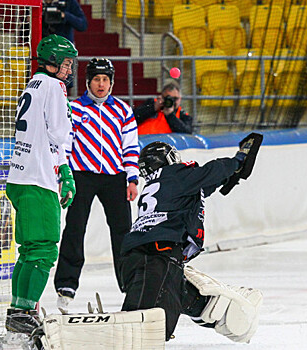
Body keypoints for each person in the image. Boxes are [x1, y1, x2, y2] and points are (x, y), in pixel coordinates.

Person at [120, 141, 263, 343]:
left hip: (134, 254)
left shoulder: (157, 185)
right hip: (159, 252)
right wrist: (237, 161)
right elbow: (211, 171)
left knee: (172, 292)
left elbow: (201, 187)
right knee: (150, 315)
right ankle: (129, 336)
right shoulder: (175, 175)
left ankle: (214, 310)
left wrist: (229, 177)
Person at [5, 34, 78, 336]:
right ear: (52, 63)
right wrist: (70, 117)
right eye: (66, 64)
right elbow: (60, 133)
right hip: (37, 180)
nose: (70, 70)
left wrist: (65, 170)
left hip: (21, 178)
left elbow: (49, 139)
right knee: (44, 250)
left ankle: (19, 309)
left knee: (29, 250)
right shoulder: (54, 86)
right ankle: (23, 312)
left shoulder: (33, 83)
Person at [53, 58, 140, 311]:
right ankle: (66, 286)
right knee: (75, 228)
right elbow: (65, 145)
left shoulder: (123, 111)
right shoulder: (75, 108)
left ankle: (130, 283)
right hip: (82, 176)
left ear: (111, 83)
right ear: (88, 82)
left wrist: (132, 178)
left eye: (105, 80)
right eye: (96, 79)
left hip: (115, 177)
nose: (101, 85)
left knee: (123, 231)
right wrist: (64, 175)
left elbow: (130, 147)